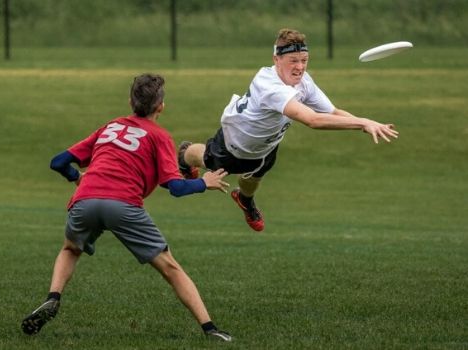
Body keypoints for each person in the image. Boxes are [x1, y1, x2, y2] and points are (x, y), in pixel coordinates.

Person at [21, 73, 232, 342]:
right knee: (170, 267)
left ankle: (53, 297)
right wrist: (205, 182)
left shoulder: (110, 127)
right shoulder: (159, 136)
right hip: (123, 205)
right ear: (161, 107)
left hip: (85, 201)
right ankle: (210, 328)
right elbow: (176, 187)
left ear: (130, 101)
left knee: (71, 248)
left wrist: (77, 179)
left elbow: (58, 161)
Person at [178, 28, 399, 232]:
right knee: (206, 158)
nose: (300, 67)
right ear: (276, 59)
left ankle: (244, 200)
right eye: (293, 61)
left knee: (256, 175)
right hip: (235, 145)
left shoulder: (303, 81)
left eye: (304, 60)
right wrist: (362, 122)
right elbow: (312, 120)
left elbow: (333, 112)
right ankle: (184, 155)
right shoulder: (270, 87)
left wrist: (370, 125)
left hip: (267, 144)